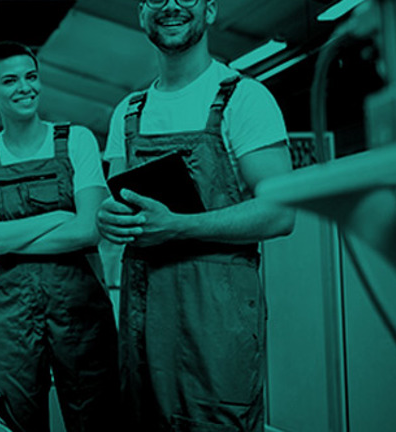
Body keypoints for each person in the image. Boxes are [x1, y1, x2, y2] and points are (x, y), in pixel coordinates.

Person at [96, 0, 296, 430]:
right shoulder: (128, 112)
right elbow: (119, 204)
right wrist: (107, 220)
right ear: (140, 14)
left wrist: (180, 226)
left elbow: (281, 212)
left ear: (209, 10)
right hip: (143, 321)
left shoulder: (245, 98)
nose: (170, 5)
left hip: (217, 321)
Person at [0, 42, 119, 432]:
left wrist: (4, 234)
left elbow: (89, 229)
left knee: (95, 418)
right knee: (16, 422)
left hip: (81, 311)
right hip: (9, 317)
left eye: (31, 77)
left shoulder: (76, 140)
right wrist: (60, 216)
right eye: (10, 80)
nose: (24, 88)